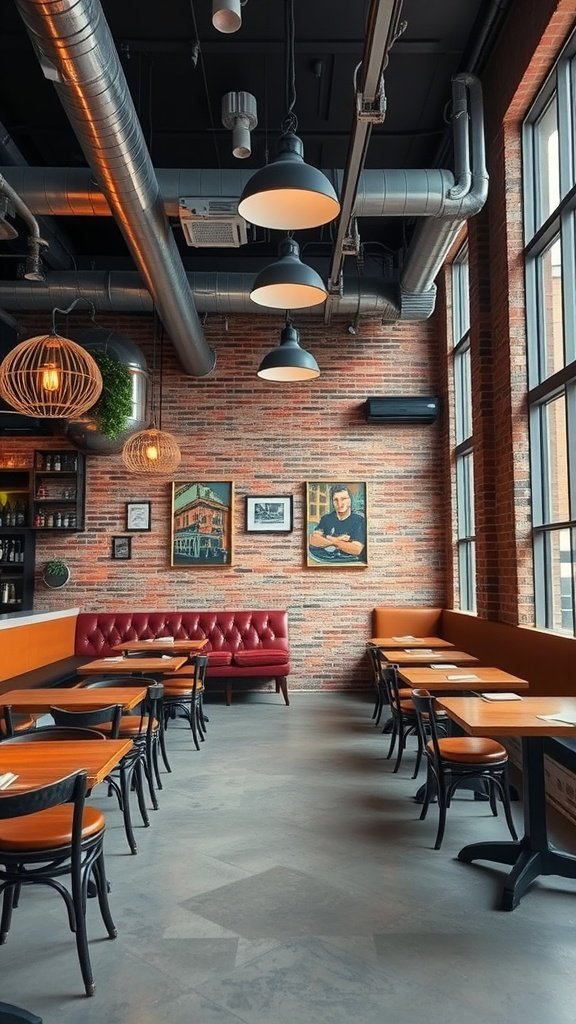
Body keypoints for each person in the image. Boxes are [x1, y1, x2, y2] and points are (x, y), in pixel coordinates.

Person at [308, 484, 366, 562]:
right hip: (322, 561)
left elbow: (356, 549)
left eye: (343, 499)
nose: (339, 503)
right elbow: (314, 539)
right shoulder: (326, 519)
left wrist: (328, 538)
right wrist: (337, 540)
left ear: (350, 500)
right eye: (336, 500)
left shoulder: (359, 521)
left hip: (348, 564)